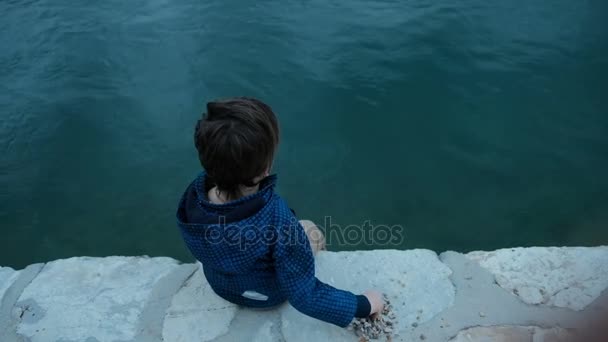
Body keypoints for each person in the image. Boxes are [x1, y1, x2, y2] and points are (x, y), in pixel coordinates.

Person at [176, 97, 384, 327]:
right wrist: (363, 305)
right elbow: (304, 295)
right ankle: (318, 254)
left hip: (221, 286)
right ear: (266, 169)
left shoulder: (192, 199)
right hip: (268, 296)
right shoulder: (277, 218)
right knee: (310, 229)